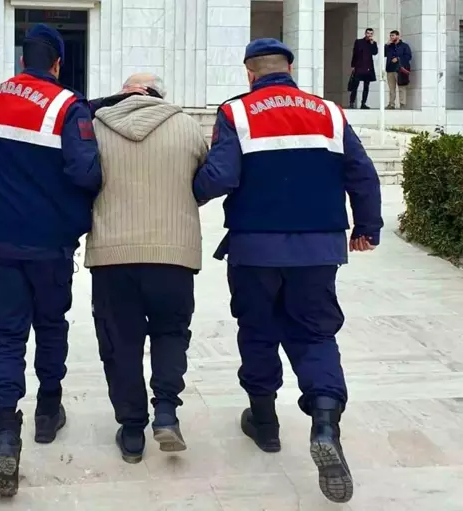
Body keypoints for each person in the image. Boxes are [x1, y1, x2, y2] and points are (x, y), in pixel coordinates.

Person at [192, 38, 383, 504]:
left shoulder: (237, 113)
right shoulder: (330, 113)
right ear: (291, 69)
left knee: (258, 330)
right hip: (320, 248)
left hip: (255, 247)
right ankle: (323, 421)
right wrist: (367, 227)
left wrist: (183, 196)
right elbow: (362, 174)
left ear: (249, 73)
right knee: (316, 333)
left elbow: (219, 177)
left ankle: (265, 423)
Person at [0, 24, 102, 497]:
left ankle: (6, 431)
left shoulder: (3, 96)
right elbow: (84, 171)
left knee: (5, 335)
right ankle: (49, 410)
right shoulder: (69, 108)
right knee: (50, 325)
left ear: (24, 58)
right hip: (48, 244)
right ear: (57, 63)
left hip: (0, 240)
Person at [85, 73, 208, 464]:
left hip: (111, 256)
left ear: (121, 93)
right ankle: (167, 412)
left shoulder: (93, 127)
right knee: (171, 334)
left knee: (120, 343)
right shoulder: (187, 125)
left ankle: (133, 429)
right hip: (173, 254)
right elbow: (208, 176)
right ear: (159, 95)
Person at [349, 28, 378, 109]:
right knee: (355, 85)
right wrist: (353, 66)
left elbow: (375, 52)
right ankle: (351, 102)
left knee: (366, 86)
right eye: (368, 33)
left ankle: (363, 103)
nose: (369, 35)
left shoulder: (373, 43)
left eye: (371, 33)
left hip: (368, 67)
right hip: (359, 66)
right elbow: (354, 53)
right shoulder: (358, 42)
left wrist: (372, 44)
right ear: (365, 33)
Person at [385, 30, 412, 109]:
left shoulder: (404, 46)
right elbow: (383, 54)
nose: (391, 37)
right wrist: (386, 45)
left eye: (393, 35)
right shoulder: (389, 46)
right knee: (391, 89)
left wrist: (398, 58)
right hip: (390, 69)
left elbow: (409, 56)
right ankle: (391, 104)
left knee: (402, 87)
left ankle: (402, 104)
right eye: (390, 35)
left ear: (398, 36)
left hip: (400, 69)